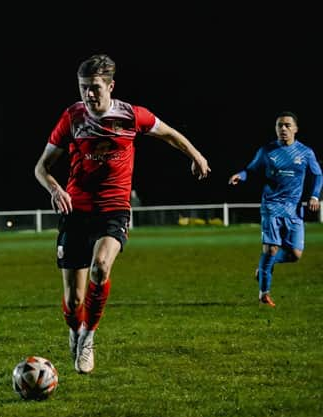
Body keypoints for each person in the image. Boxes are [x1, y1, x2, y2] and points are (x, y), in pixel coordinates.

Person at [34, 54, 210, 374]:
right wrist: (55, 189)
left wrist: (195, 155)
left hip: (114, 208)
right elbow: (41, 167)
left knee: (101, 267)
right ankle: (75, 329)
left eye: (95, 87)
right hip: (76, 210)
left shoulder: (131, 115)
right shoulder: (72, 118)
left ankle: (88, 337)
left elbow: (169, 133)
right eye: (83, 87)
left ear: (110, 86)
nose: (89, 94)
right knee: (74, 301)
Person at [228, 111, 321, 308]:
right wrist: (240, 175)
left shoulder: (305, 153)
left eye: (287, 125)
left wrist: (314, 196)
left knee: (295, 254)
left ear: (296, 129)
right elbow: (251, 169)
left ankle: (262, 268)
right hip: (271, 206)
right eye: (280, 125)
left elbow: (318, 175)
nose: (283, 129)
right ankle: (264, 294)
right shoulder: (267, 151)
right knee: (271, 249)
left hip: (294, 209)